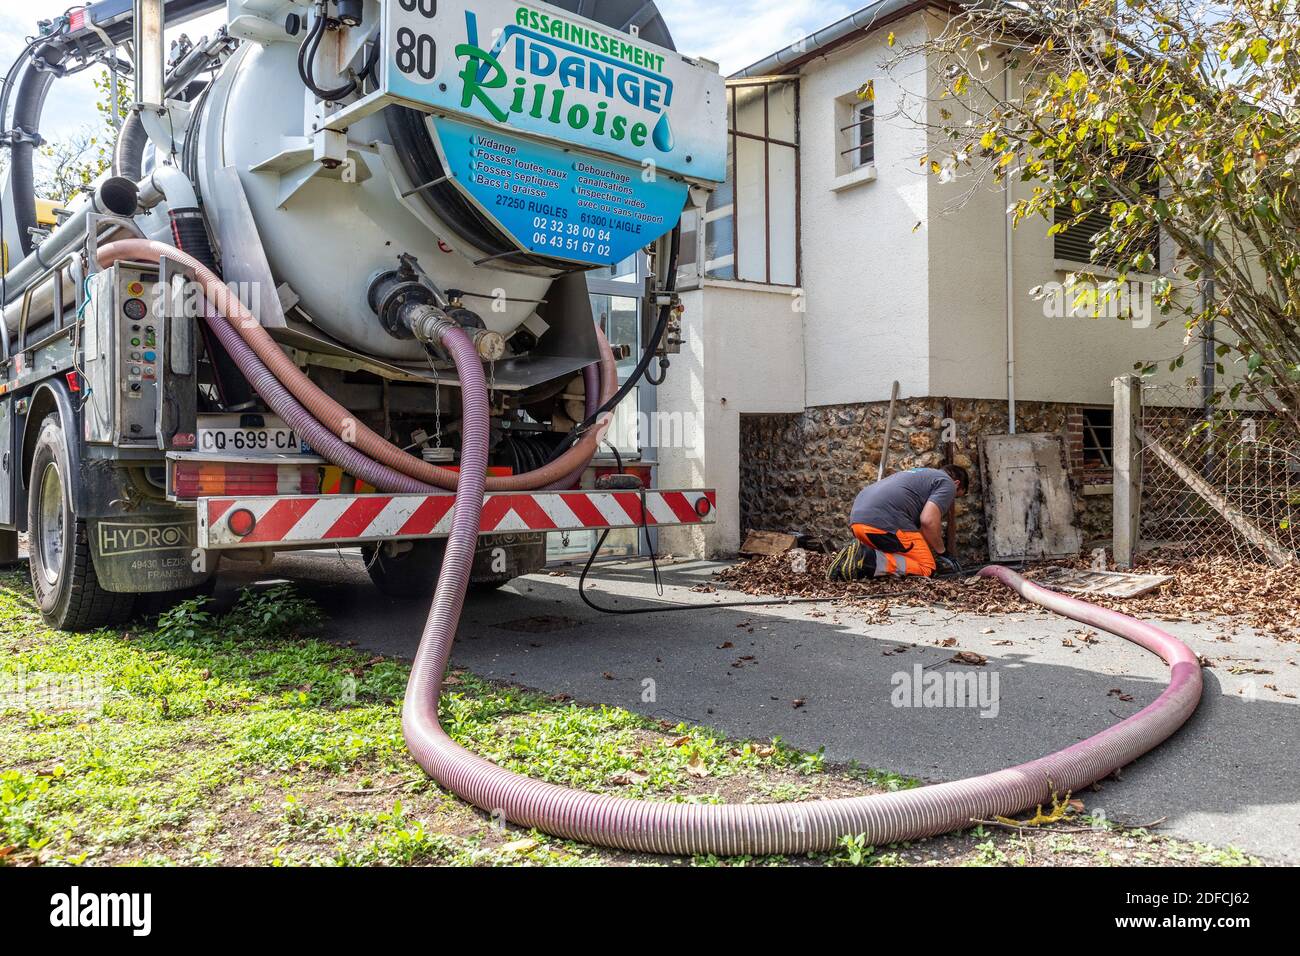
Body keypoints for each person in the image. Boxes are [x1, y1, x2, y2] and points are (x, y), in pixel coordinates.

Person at [835, 464, 969, 579]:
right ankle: (867, 560)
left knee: (909, 559)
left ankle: (852, 562)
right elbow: (928, 520)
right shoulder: (947, 482)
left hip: (858, 523)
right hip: (885, 523)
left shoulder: (920, 475)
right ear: (956, 484)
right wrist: (942, 552)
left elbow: (921, 529)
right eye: (955, 496)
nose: (950, 500)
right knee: (927, 568)